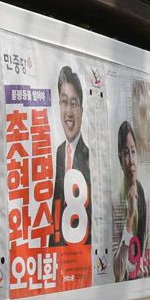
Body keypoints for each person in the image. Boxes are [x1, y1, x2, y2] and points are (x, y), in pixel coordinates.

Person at [49, 67, 91, 245]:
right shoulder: (59, 151)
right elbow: (56, 208)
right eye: (64, 102)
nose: (69, 112)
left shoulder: (89, 157)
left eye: (74, 104)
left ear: (81, 110)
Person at [115, 120, 149, 280]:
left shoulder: (145, 196)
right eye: (126, 153)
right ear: (120, 160)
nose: (131, 161)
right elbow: (118, 272)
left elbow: (149, 248)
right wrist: (129, 218)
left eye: (133, 152)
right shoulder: (115, 201)